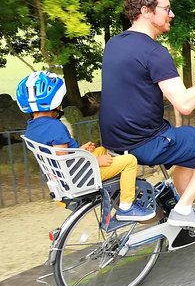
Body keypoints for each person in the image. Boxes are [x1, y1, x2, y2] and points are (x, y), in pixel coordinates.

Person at [99, 0, 195, 229]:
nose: (171, 14)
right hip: (147, 142)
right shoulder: (154, 53)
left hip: (115, 143)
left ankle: (184, 205)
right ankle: (183, 210)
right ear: (146, 11)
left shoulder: (114, 44)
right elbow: (184, 105)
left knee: (190, 144)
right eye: (166, 9)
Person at [17, 71, 153, 221]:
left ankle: (118, 187)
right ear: (55, 102)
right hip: (80, 176)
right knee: (130, 161)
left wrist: (81, 150)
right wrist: (95, 162)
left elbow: (59, 154)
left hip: (63, 175)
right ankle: (127, 207)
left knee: (102, 150)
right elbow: (65, 160)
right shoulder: (55, 127)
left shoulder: (31, 128)